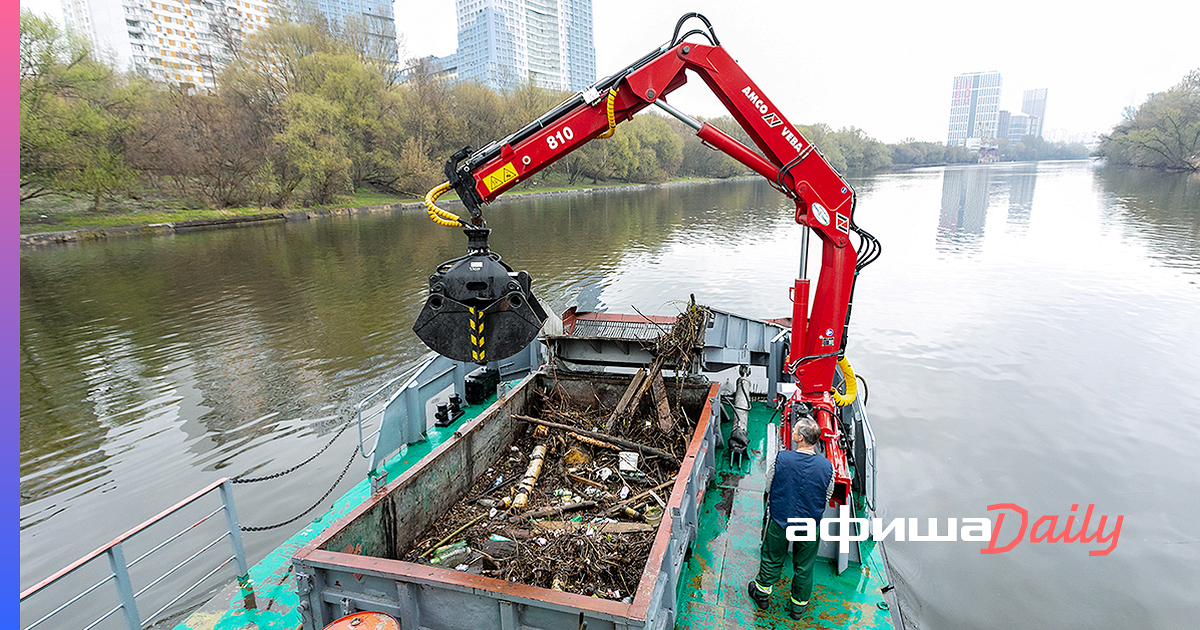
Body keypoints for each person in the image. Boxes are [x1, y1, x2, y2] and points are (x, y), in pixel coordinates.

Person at [748, 415, 834, 619]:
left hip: (781, 520)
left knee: (771, 557)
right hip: (809, 524)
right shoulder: (827, 467)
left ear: (801, 438)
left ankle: (761, 595)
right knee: (804, 566)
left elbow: (769, 486)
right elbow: (827, 495)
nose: (793, 431)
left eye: (795, 430)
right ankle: (798, 609)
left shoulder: (782, 458)